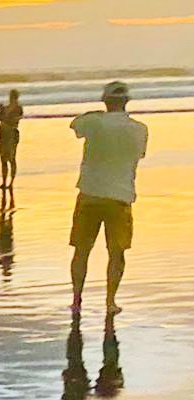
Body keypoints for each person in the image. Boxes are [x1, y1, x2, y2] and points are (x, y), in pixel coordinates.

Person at [69, 81, 148, 320]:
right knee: (117, 252)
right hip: (120, 196)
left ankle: (76, 299)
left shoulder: (93, 122)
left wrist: (95, 113)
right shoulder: (139, 128)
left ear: (105, 101)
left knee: (82, 250)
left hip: (90, 192)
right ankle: (110, 301)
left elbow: (75, 125)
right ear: (126, 102)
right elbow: (140, 154)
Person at [0, 89, 23, 191]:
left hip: (11, 133)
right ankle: (4, 181)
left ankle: (11, 182)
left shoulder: (18, 108)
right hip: (3, 133)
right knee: (3, 159)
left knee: (11, 158)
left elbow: (14, 120)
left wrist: (3, 113)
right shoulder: (6, 108)